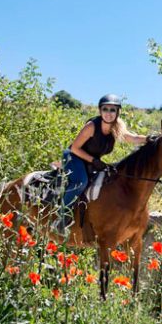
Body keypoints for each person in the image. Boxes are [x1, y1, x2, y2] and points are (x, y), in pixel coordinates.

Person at [57, 94, 147, 232]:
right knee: (81, 182)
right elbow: (75, 148)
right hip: (73, 157)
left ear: (118, 112)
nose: (109, 113)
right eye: (106, 109)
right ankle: (61, 216)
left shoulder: (116, 127)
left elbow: (133, 138)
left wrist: (151, 138)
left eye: (113, 110)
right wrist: (94, 161)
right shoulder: (92, 126)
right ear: (100, 111)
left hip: (93, 161)